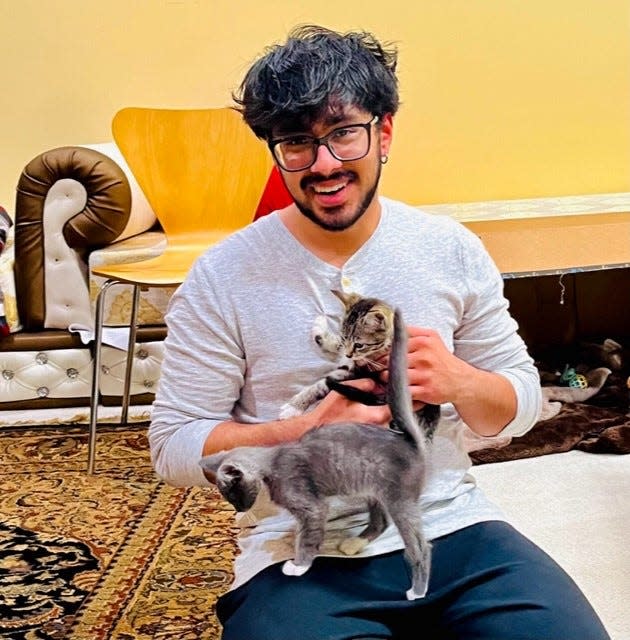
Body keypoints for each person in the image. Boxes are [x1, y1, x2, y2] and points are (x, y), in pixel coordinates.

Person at [149, 25, 610, 640]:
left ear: (383, 131)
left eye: (344, 133)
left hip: (451, 528)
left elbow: (520, 405)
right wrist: (307, 430)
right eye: (296, 144)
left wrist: (460, 380)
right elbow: (173, 444)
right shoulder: (222, 277)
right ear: (275, 150)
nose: (324, 165)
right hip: (297, 546)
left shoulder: (449, 249)